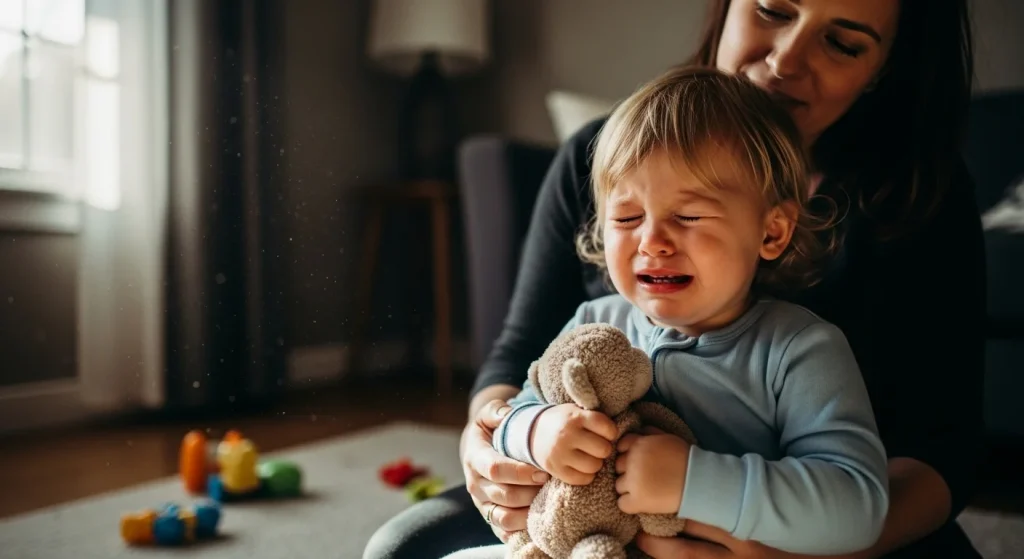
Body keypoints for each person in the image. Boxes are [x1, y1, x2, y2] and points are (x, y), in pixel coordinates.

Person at [363, 0, 986, 557]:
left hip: (801, 528)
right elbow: (523, 374)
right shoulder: (597, 309)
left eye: (843, 42)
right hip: (590, 532)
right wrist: (514, 440)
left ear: (776, 232)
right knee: (400, 550)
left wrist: (770, 538)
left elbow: (925, 461)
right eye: (772, 10)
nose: (786, 59)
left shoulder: (809, 339)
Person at [444, 66, 891, 559]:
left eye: (689, 216)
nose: (652, 242)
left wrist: (691, 480)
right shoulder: (595, 323)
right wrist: (536, 432)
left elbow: (857, 506)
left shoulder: (799, 350)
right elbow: (515, 411)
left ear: (771, 233)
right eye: (627, 218)